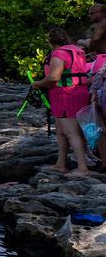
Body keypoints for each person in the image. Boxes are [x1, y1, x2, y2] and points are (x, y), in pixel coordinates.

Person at [34, 26, 95, 177]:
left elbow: (54, 77)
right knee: (61, 132)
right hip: (79, 92)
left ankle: (82, 168)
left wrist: (37, 84)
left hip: (66, 94)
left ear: (50, 41)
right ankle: (60, 164)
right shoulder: (77, 50)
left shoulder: (59, 54)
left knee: (71, 132)